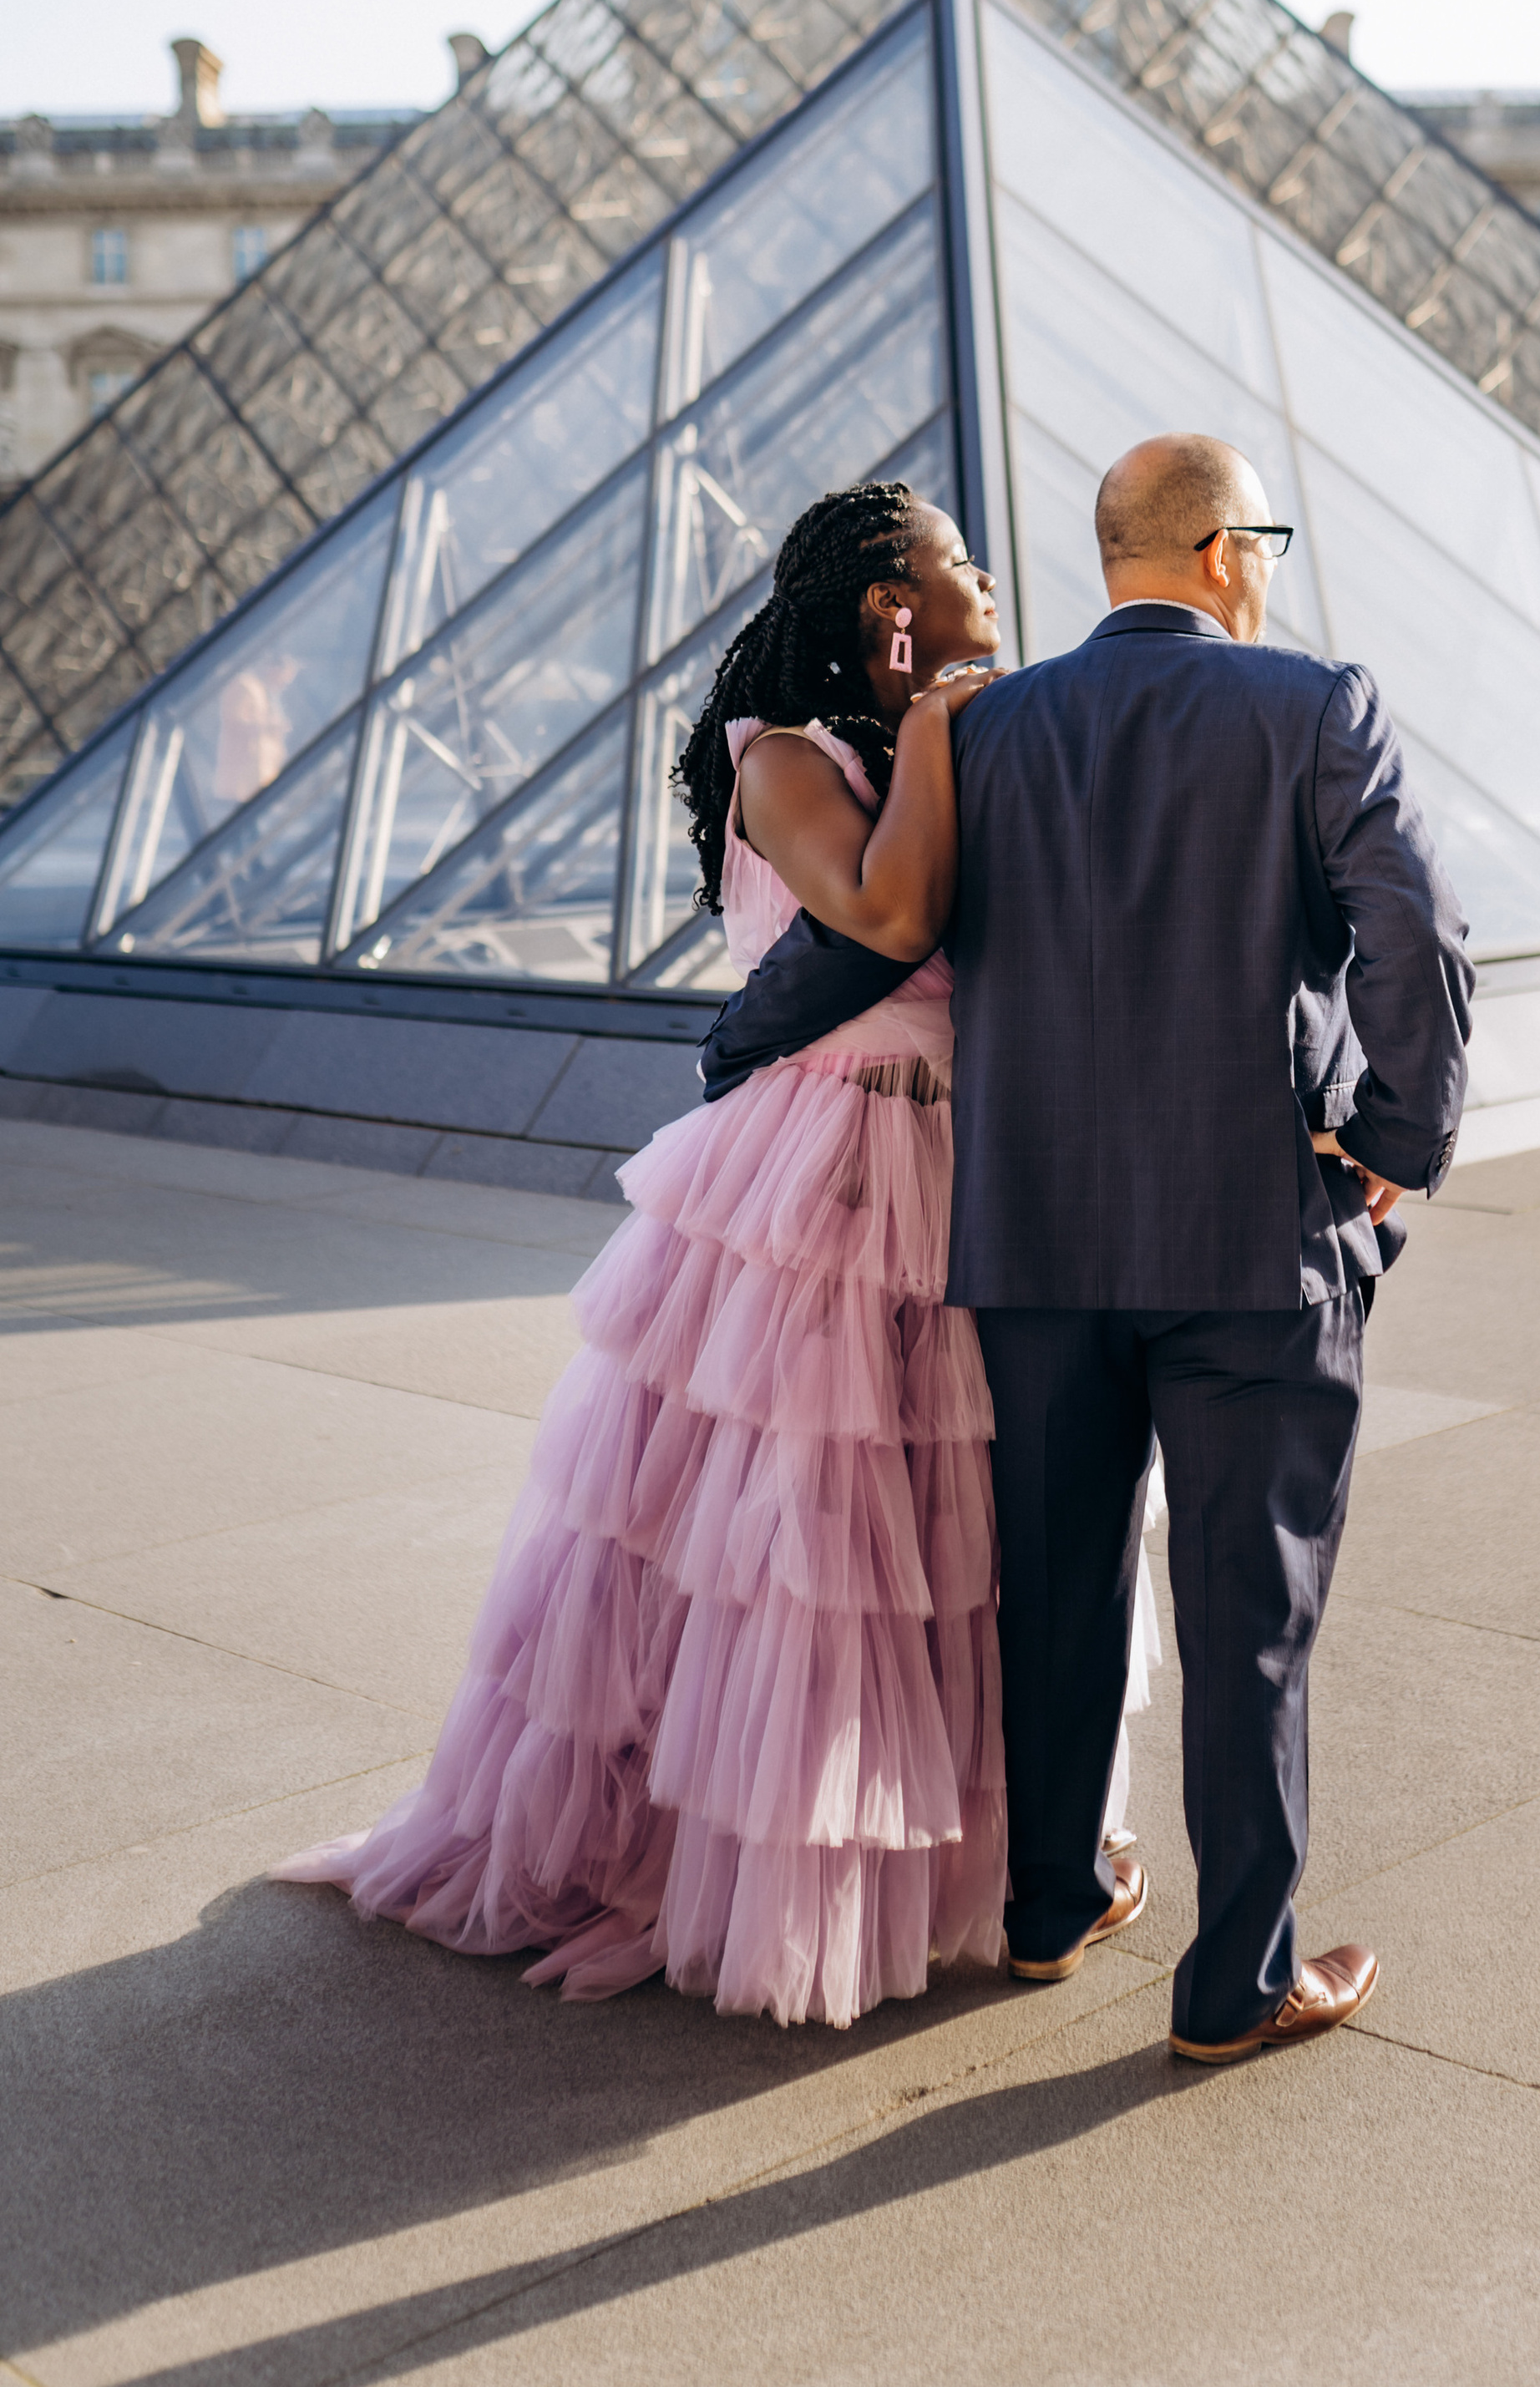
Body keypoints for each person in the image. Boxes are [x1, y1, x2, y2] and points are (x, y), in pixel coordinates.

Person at [276, 482, 1009, 2028]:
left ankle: (923, 1861)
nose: (988, 577)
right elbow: (882, 916)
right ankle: (727, 1870)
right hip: (823, 1168)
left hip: (948, 1163)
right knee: (797, 1533)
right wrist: (944, 732)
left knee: (928, 1540)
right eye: (957, 561)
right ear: (892, 604)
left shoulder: (932, 739)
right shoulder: (785, 759)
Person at [948, 433, 1473, 2063]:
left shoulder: (989, 729)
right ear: (1222, 550)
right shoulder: (1313, 706)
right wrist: (1393, 1143)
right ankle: (1233, 1985)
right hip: (1253, 1231)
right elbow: (1416, 935)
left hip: (1031, 1236)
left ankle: (1044, 1908)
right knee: (1247, 1607)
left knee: (1049, 1585)